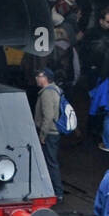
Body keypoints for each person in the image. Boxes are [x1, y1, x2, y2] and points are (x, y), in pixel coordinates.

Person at [33, 67, 65, 201]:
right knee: (51, 161)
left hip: (50, 133)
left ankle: (57, 192)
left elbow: (48, 116)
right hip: (54, 132)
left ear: (45, 78)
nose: (36, 78)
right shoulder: (56, 90)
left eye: (39, 76)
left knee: (50, 163)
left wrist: (42, 135)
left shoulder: (47, 93)